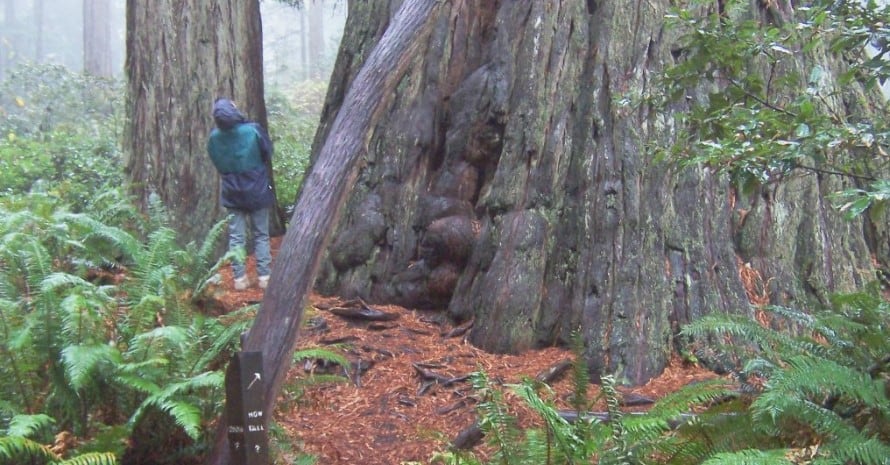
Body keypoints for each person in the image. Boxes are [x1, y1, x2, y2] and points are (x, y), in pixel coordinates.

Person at [206, 98, 274, 290]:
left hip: (232, 191)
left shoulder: (214, 138)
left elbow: (217, 161)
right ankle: (264, 276)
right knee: (261, 234)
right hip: (257, 188)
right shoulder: (252, 130)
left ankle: (239, 279)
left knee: (236, 237)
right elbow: (267, 152)